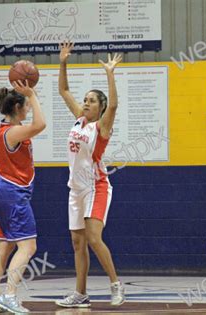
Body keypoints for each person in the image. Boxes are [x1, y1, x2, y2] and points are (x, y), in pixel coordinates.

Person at [55, 41, 125, 308]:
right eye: (85, 100)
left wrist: (110, 73)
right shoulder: (78, 119)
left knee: (94, 237)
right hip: (75, 189)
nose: (85, 103)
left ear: (100, 108)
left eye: (91, 101)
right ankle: (81, 294)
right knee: (77, 242)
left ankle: (115, 285)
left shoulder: (101, 128)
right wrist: (63, 62)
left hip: (96, 186)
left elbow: (115, 106)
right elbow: (63, 90)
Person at [0, 80, 46, 314]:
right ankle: (9, 296)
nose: (29, 108)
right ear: (17, 109)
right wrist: (33, 94)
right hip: (13, 194)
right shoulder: (14, 131)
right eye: (26, 106)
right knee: (28, 247)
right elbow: (41, 124)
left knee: (4, 246)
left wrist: (29, 96)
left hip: (3, 191)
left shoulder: (5, 129)